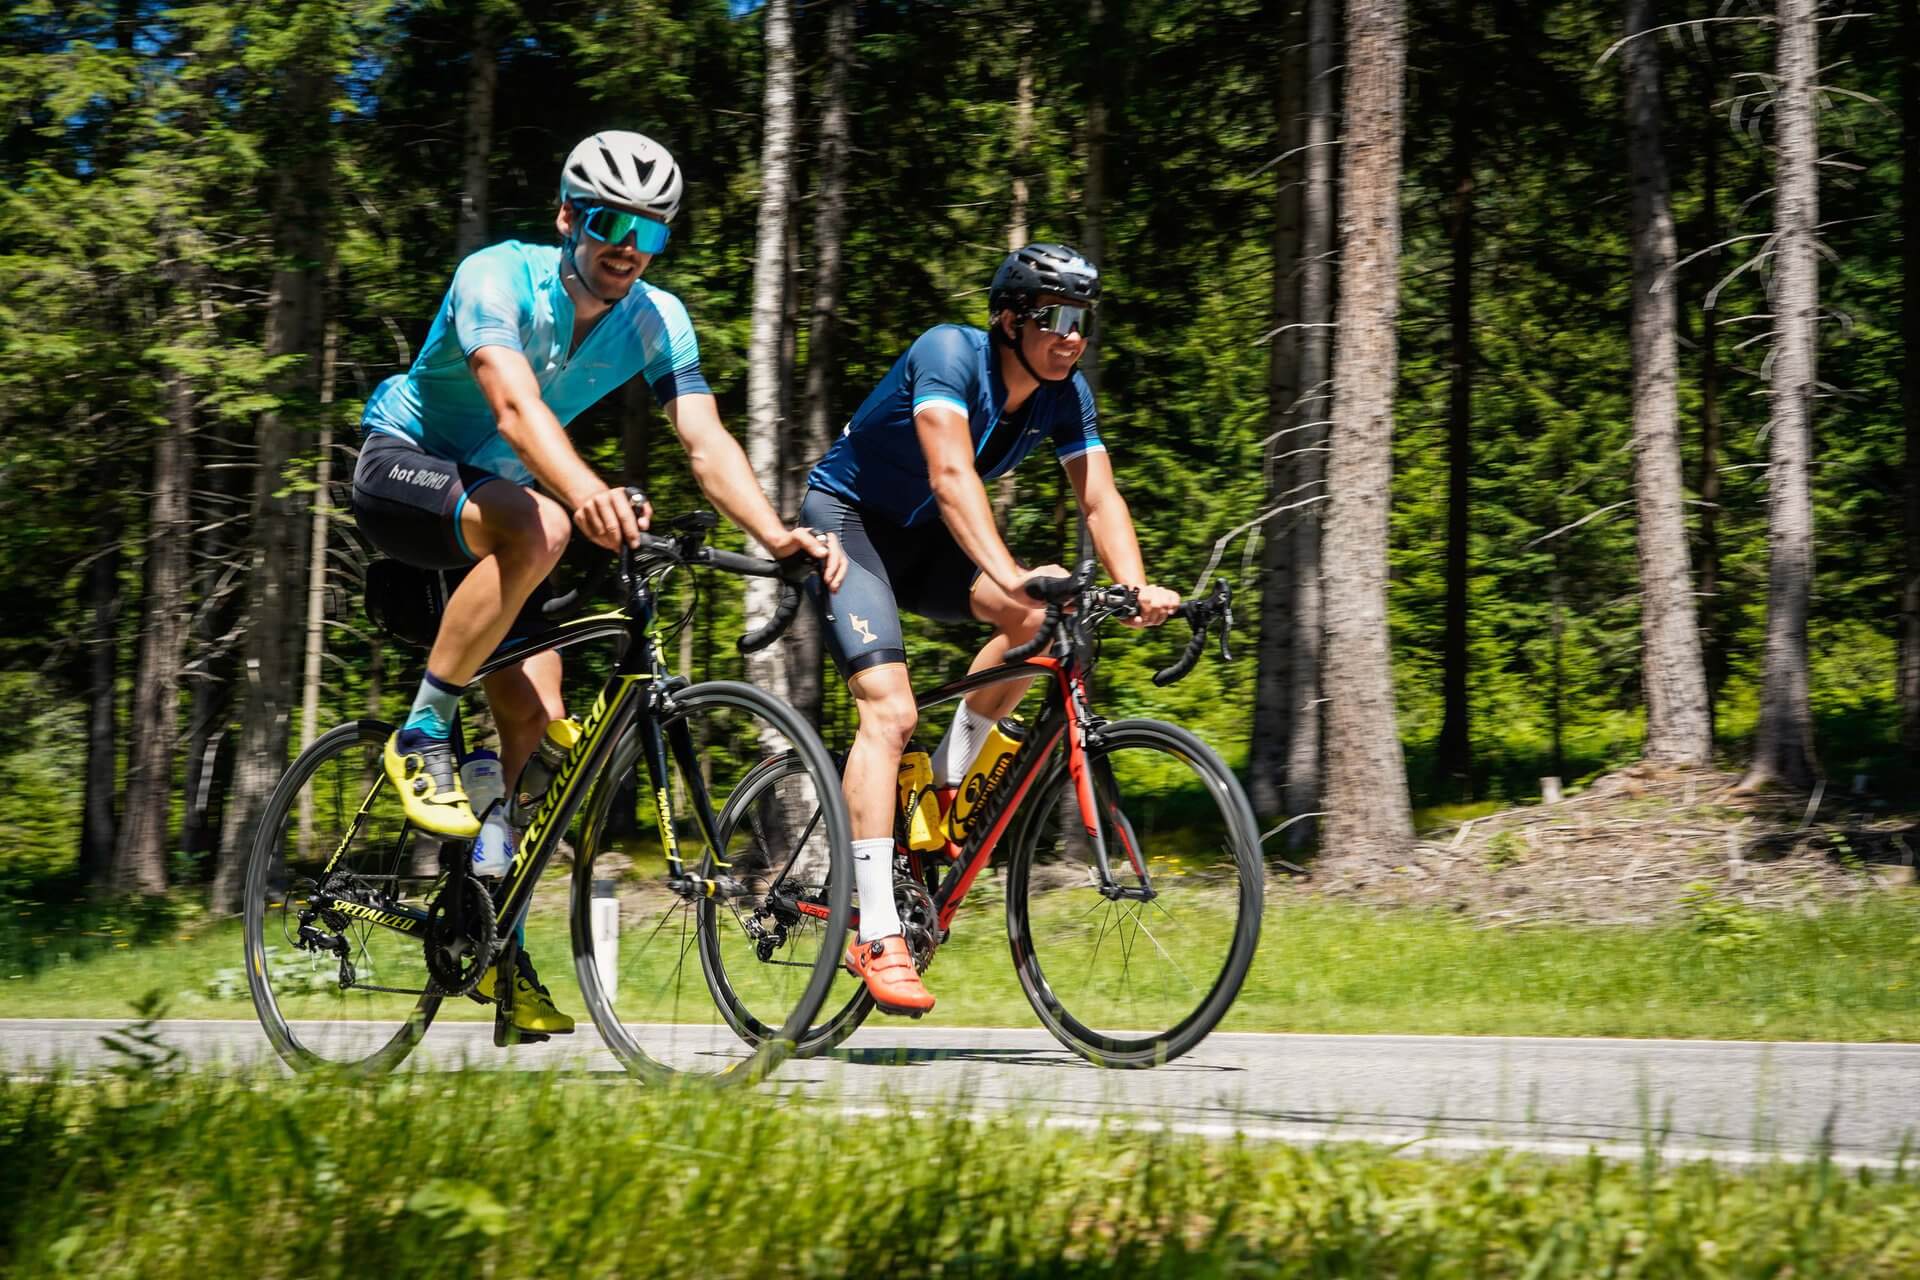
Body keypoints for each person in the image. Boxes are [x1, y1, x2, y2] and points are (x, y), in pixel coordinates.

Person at [351, 130, 843, 1035]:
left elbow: (704, 440)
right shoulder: (496, 277)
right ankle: (421, 732)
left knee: (539, 725)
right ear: (568, 218)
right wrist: (584, 493)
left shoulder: (658, 319)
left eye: (649, 232)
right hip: (405, 469)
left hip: (500, 515)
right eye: (611, 223)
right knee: (541, 524)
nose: (628, 247)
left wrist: (777, 536)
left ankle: (487, 934)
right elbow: (512, 407)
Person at [799, 243, 1179, 1015]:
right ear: (1009, 320)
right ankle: (875, 930)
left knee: (1040, 618)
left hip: (924, 543)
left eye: (1083, 320)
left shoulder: (1064, 395)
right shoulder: (948, 354)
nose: (1072, 337)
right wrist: (1007, 571)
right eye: (1056, 318)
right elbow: (949, 477)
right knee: (890, 713)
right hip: (848, 525)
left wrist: (1135, 586)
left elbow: (1099, 498)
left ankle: (945, 781)